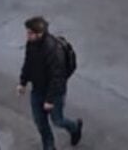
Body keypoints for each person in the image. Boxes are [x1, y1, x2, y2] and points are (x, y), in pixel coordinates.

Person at [18, 16, 83, 149]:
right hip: (37, 89)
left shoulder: (53, 50)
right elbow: (28, 64)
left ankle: (75, 127)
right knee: (40, 122)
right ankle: (49, 146)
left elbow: (57, 78)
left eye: (30, 33)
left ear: (39, 33)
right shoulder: (31, 44)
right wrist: (23, 82)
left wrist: (49, 99)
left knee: (57, 120)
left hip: (54, 93)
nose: (27, 35)